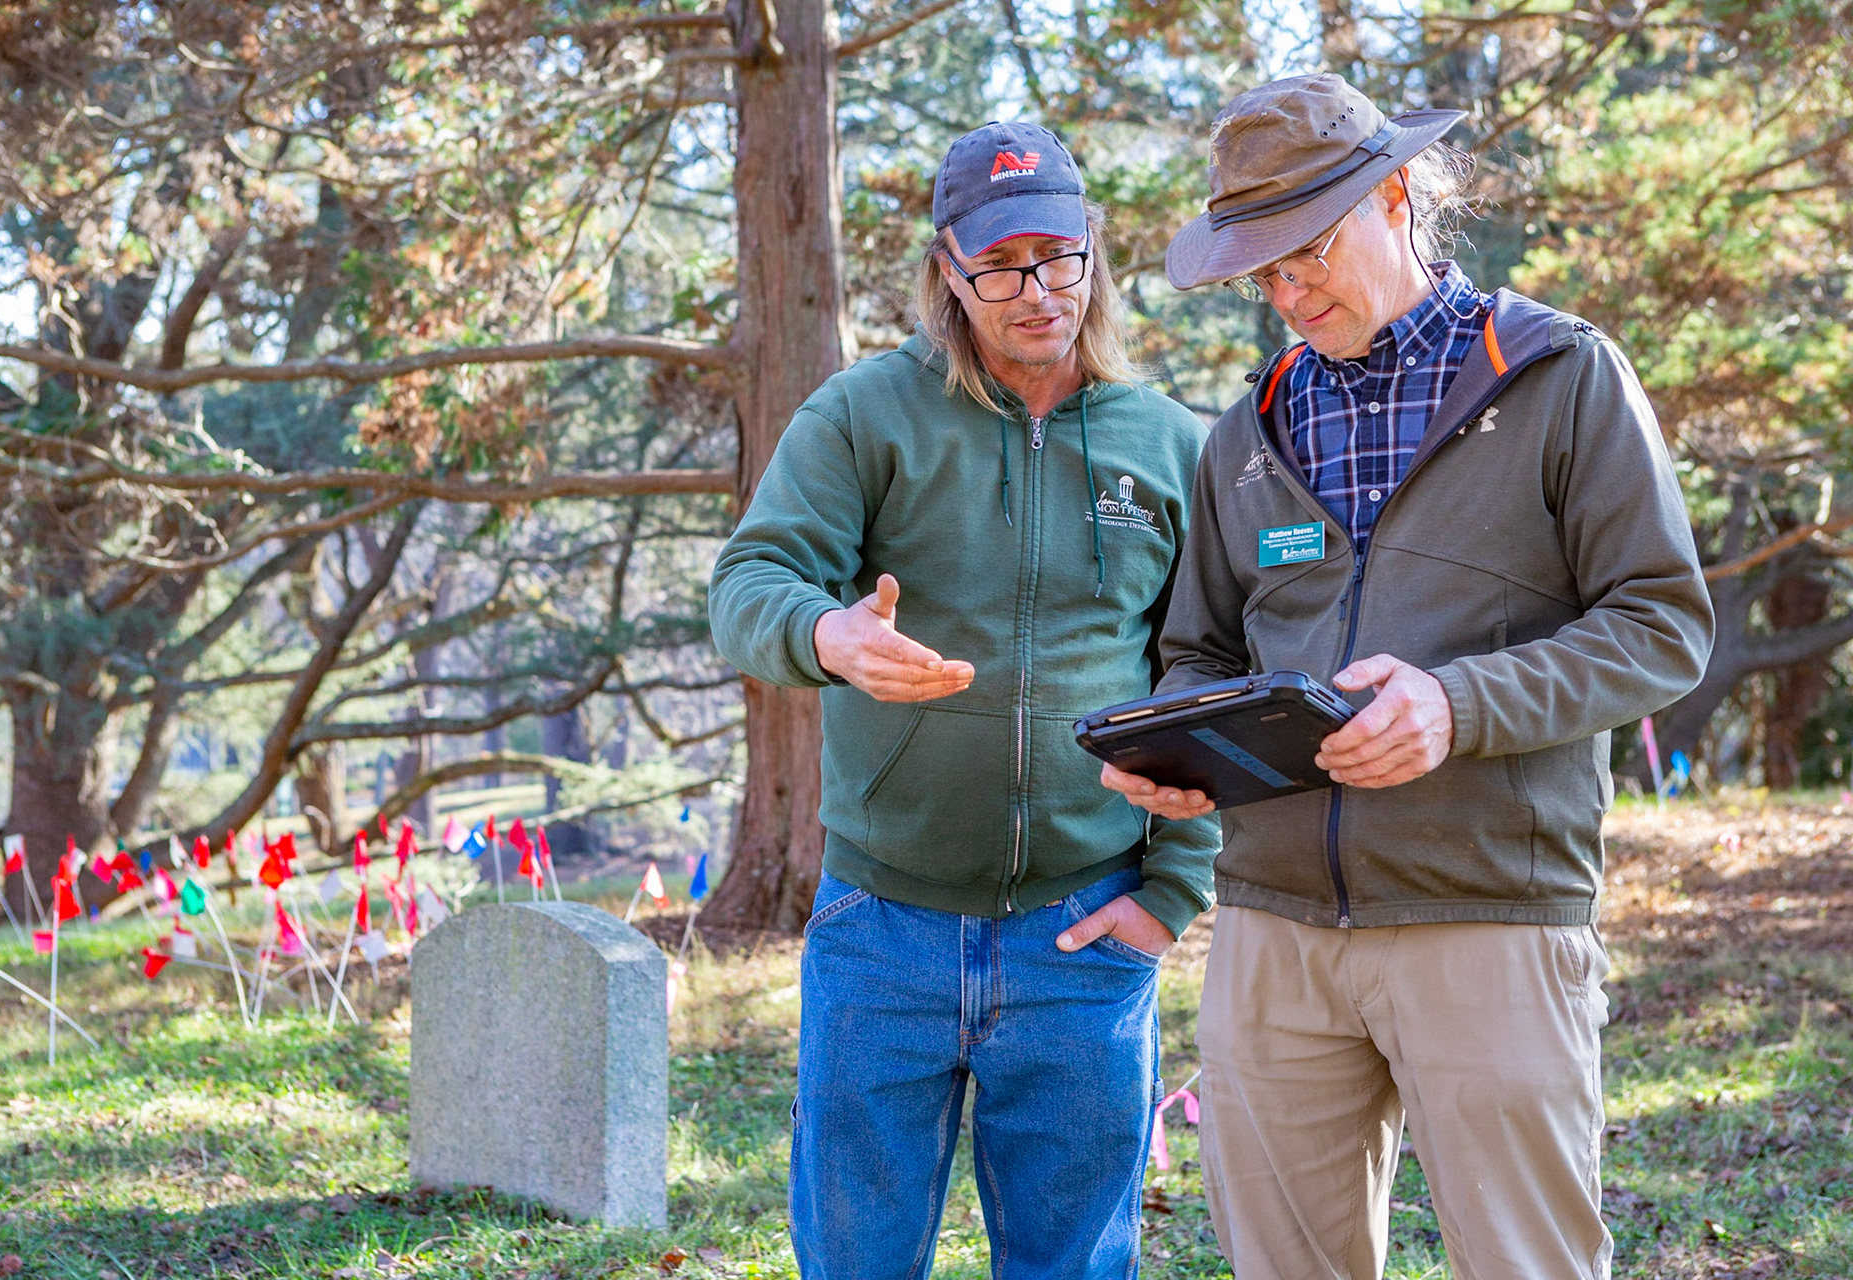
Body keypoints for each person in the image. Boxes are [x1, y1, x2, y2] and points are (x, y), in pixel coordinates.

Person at [1104, 74, 1714, 1279]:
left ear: (1397, 197)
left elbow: (1661, 623)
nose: (1287, 293)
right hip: (1272, 931)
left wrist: (1458, 703)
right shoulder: (1246, 433)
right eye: (1262, 273)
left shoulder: (1560, 378)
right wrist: (1184, 751)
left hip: (1486, 915)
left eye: (1307, 253)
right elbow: (1199, 652)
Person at [709, 121, 1218, 1279]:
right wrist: (827, 632)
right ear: (948, 268)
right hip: (881, 930)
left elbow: (1211, 673)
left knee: (1074, 1265)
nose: (1035, 291)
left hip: (1085, 929)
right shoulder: (865, 414)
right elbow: (749, 582)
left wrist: (1172, 893)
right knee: (854, 1258)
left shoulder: (1170, 442)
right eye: (999, 265)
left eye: (1059, 255)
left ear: (1095, 247)